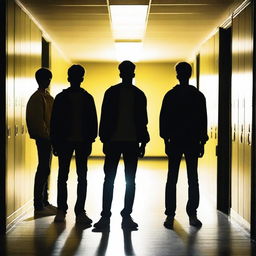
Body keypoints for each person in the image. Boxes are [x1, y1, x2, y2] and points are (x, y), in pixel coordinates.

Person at [94, 60, 150, 230]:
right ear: (132, 74)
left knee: (111, 180)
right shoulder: (138, 94)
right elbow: (143, 121)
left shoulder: (112, 93)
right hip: (127, 142)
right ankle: (124, 216)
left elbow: (105, 118)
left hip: (118, 142)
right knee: (128, 180)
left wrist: (104, 139)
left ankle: (107, 217)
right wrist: (143, 143)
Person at [160, 62, 208, 229]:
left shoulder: (170, 95)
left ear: (177, 75)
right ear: (189, 74)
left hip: (175, 141)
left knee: (172, 178)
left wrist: (166, 141)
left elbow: (163, 120)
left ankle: (170, 215)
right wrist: (202, 142)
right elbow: (203, 120)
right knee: (192, 179)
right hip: (192, 141)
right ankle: (192, 214)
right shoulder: (198, 96)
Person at [50, 64, 97, 224]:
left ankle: (68, 210)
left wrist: (91, 139)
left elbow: (92, 122)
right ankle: (71, 210)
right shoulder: (82, 98)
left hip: (74, 141)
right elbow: (54, 122)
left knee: (69, 176)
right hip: (70, 141)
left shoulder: (64, 98)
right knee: (77, 177)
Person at [26, 68, 57, 216]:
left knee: (46, 169)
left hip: (48, 138)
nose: (49, 81)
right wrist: (47, 136)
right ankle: (38, 204)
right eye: (47, 79)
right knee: (43, 169)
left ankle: (44, 201)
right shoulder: (37, 98)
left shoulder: (46, 96)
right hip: (43, 138)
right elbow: (38, 122)